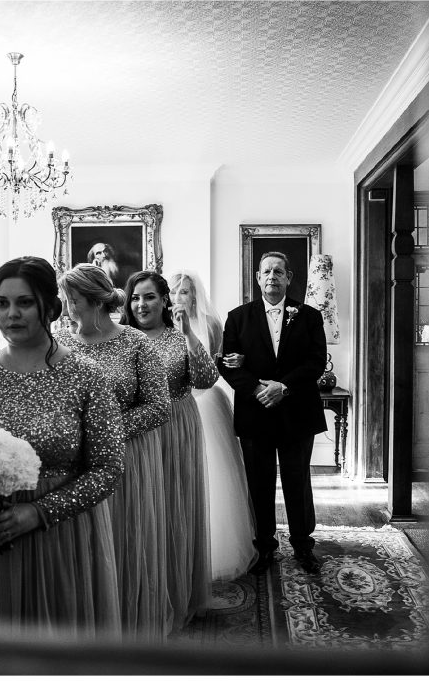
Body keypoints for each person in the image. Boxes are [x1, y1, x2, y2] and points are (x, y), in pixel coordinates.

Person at [0, 256, 125, 639]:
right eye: (2, 303)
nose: (11, 314)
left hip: (61, 536)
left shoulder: (86, 376)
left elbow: (108, 469)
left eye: (24, 302)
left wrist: (39, 512)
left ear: (51, 307)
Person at [55, 263, 172, 642]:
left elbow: (159, 406)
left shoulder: (135, 343)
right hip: (74, 461)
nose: (65, 309)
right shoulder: (61, 344)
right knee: (81, 543)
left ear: (93, 302)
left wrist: (107, 429)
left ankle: (125, 621)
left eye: (71, 301)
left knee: (122, 540)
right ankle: (84, 618)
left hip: (127, 459)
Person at [218, 251, 327, 575]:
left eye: (279, 271)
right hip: (256, 414)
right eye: (267, 271)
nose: (272, 277)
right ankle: (264, 547)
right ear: (257, 276)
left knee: (297, 481)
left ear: (289, 278)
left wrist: (283, 387)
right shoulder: (237, 317)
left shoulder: (308, 316)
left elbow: (316, 361)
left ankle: (303, 546)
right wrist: (257, 390)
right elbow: (229, 364)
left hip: (297, 413)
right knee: (259, 483)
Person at [124, 271, 218, 629]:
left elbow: (206, 379)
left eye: (149, 297)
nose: (141, 304)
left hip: (176, 429)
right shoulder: (122, 340)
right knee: (141, 512)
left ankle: (177, 591)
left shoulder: (178, 338)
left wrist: (188, 334)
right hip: (137, 432)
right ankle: (141, 591)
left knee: (173, 508)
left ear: (164, 301)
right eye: (135, 297)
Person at [168, 270, 257, 581]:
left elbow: (218, 365)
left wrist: (234, 363)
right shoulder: (163, 326)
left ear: (195, 296)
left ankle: (216, 549)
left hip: (206, 401)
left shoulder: (211, 324)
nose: (179, 297)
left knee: (213, 474)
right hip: (176, 403)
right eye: (174, 291)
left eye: (185, 292)